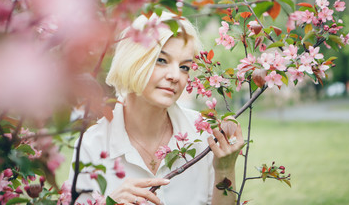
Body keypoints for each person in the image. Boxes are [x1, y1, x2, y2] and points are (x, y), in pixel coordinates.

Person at [69, 12, 244, 205]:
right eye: (162, 60)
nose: (175, 76)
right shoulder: (91, 145)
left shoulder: (203, 136)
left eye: (184, 67)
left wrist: (225, 170)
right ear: (133, 62)